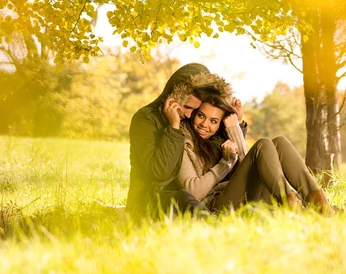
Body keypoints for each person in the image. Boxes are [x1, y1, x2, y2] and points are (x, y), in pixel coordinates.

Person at [177, 94, 334, 215]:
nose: (204, 124)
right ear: (194, 114)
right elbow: (193, 192)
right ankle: (291, 202)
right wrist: (225, 164)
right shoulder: (185, 143)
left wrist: (235, 128)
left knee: (279, 142)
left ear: (219, 125)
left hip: (241, 197)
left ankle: (320, 205)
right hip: (217, 206)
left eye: (213, 121)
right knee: (262, 144)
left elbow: (249, 166)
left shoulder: (218, 141)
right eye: (201, 116)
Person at [125, 63, 235, 218]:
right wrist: (174, 128)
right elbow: (160, 173)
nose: (190, 115)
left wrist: (235, 125)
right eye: (187, 107)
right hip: (150, 201)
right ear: (175, 97)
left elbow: (215, 149)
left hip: (190, 197)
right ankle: (213, 225)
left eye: (195, 110)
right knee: (184, 197)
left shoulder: (187, 120)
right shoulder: (145, 119)